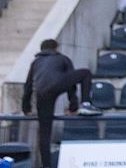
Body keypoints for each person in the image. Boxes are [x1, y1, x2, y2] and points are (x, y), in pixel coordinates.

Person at [22, 39, 102, 168]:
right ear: (56, 48)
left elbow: (28, 86)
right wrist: (73, 107)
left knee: (44, 132)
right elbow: (71, 86)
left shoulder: (35, 62)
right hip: (59, 83)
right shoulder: (62, 58)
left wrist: (26, 109)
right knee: (85, 73)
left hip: (42, 93)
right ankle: (86, 104)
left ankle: (46, 165)